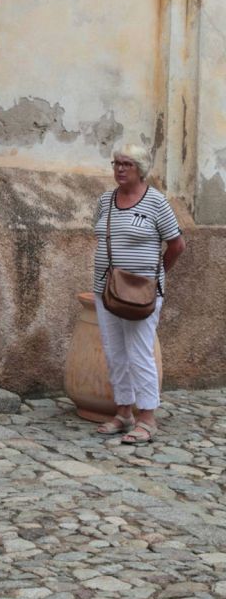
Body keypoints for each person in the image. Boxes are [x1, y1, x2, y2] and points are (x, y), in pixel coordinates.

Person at [93, 143, 184, 445]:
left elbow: (176, 245)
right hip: (106, 290)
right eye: (116, 163)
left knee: (139, 353)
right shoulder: (106, 200)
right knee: (115, 352)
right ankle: (124, 413)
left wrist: (154, 279)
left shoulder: (156, 202)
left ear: (141, 168)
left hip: (141, 293)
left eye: (127, 164)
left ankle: (147, 418)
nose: (119, 169)